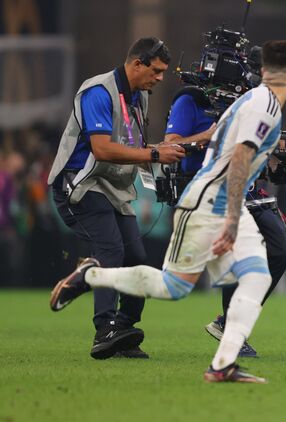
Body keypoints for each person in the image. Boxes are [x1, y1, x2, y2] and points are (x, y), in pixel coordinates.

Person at [49, 40, 286, 383]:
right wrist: (231, 218)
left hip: (216, 195)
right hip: (208, 199)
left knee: (256, 274)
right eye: (155, 70)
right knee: (172, 284)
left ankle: (220, 364)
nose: (159, 78)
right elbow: (241, 158)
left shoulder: (256, 101)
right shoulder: (264, 105)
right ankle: (93, 279)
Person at [47, 37, 185, 360]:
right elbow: (102, 149)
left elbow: (134, 147)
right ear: (137, 64)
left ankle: (123, 329)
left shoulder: (140, 96)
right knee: (111, 249)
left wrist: (163, 153)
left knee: (136, 256)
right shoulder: (97, 91)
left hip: (113, 188)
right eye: (156, 70)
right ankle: (104, 329)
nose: (160, 78)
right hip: (80, 184)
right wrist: (154, 154)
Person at [164, 74, 286, 358]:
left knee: (280, 252)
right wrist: (206, 136)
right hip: (209, 188)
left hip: (247, 187)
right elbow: (170, 145)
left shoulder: (250, 102)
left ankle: (227, 322)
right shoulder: (191, 99)